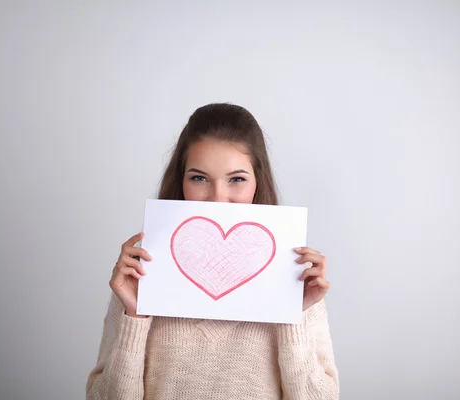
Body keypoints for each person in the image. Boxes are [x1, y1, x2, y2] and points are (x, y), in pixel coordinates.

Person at [86, 103, 339, 399]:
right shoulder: (144, 272)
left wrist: (292, 316)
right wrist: (134, 314)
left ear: (258, 182)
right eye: (199, 178)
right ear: (180, 181)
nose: (217, 199)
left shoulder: (294, 278)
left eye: (237, 179)